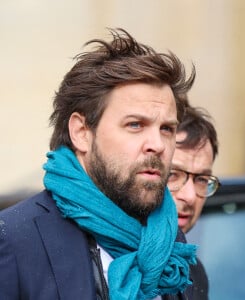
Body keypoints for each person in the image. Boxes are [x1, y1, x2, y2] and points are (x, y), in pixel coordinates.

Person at [0, 28, 198, 300]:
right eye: (135, 125)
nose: (158, 144)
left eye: (167, 129)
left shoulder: (176, 250)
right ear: (82, 132)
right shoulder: (15, 240)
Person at [167, 104, 220, 299]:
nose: (189, 196)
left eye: (201, 180)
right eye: (173, 175)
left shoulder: (194, 274)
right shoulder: (99, 256)